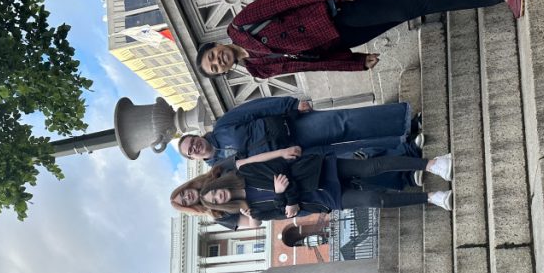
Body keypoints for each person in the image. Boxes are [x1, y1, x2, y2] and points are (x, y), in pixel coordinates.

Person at [198, 0, 524, 79]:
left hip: (337, 7)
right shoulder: (258, 68)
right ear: (222, 72)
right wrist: (353, 63)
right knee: (408, 9)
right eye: (215, 68)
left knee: (413, 4)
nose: (218, 61)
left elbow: (286, 1)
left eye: (212, 56)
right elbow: (308, 66)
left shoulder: (240, 26)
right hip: (342, 36)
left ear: (216, 45)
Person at [193, 151, 455, 225]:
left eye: (215, 191)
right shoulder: (254, 212)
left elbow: (280, 170)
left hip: (317, 172)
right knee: (376, 200)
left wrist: (285, 197)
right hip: (323, 198)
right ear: (221, 205)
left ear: (219, 184)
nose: (219, 195)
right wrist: (283, 196)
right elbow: (286, 212)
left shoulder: (245, 173)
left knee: (371, 168)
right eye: (216, 200)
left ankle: (432, 164)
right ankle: (432, 197)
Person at [175, 96, 419, 168]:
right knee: (352, 153)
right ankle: (402, 142)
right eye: (191, 151)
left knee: (345, 122)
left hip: (293, 128)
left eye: (192, 142)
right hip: (293, 158)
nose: (195, 147)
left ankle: (404, 121)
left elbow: (255, 109)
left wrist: (290, 105)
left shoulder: (222, 126)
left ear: (197, 136)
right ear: (194, 158)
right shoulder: (220, 169)